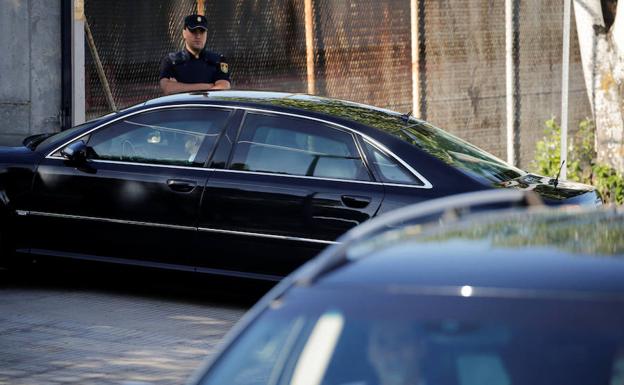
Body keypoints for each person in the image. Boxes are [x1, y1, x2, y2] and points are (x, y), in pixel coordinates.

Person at [159, 14, 231, 95]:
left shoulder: (218, 60)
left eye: (202, 31)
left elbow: (223, 88)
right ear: (184, 33)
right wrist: (209, 86)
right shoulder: (171, 60)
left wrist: (180, 87)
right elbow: (168, 89)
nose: (198, 36)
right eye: (193, 31)